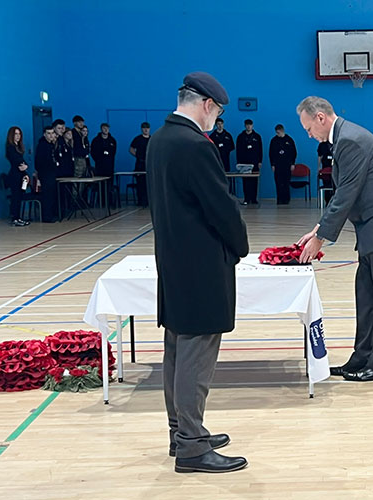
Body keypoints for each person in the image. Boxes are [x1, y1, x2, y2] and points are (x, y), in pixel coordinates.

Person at [147, 72, 249, 474]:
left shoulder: (161, 139)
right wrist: (240, 245)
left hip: (173, 260)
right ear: (207, 105)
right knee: (195, 354)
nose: (216, 118)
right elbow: (220, 207)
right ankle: (191, 445)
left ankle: (181, 431)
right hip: (201, 264)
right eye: (218, 111)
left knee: (177, 349)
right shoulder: (195, 145)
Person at [296, 96, 373, 382]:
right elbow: (344, 193)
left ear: (321, 117)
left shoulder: (349, 140)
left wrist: (321, 238)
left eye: (308, 128)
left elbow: (347, 193)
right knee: (366, 293)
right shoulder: (344, 138)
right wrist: (318, 227)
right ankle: (361, 357)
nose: (309, 134)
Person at [5, 127, 31, 226]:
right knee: (15, 197)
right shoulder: (10, 147)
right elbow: (16, 161)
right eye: (15, 134)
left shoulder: (19, 147)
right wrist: (23, 166)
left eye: (19, 134)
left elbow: (22, 161)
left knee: (20, 197)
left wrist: (25, 169)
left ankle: (19, 217)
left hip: (21, 175)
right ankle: (15, 218)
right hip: (15, 176)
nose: (18, 136)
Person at [35, 125, 60, 222]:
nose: (50, 135)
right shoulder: (42, 146)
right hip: (45, 174)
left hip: (52, 173)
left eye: (52, 133)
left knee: (52, 195)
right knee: (47, 196)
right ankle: (47, 217)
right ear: (44, 134)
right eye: (48, 133)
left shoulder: (51, 145)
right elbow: (39, 162)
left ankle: (51, 214)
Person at [235, 119, 262, 204]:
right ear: (245, 126)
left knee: (254, 181)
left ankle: (254, 199)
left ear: (252, 126)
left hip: (254, 162)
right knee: (246, 181)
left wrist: (260, 161)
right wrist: (239, 161)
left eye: (250, 125)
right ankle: (246, 198)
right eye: (247, 125)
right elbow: (238, 150)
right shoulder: (241, 137)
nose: (248, 126)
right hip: (244, 162)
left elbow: (260, 150)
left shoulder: (257, 136)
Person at [268, 124, 297, 204]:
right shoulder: (274, 140)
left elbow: (294, 152)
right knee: (278, 182)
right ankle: (279, 199)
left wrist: (293, 163)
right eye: (276, 133)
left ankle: (286, 199)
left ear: (282, 131)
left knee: (286, 182)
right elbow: (271, 153)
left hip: (287, 164)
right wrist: (272, 164)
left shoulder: (289, 140)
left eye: (279, 132)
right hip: (277, 165)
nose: (278, 134)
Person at [130, 122, 151, 206]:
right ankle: (140, 201)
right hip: (140, 164)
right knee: (140, 184)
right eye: (144, 128)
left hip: (149, 164)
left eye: (147, 128)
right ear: (141, 129)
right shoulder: (137, 139)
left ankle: (148, 201)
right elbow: (131, 149)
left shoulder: (151, 139)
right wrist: (138, 156)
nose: (146, 130)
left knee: (148, 184)